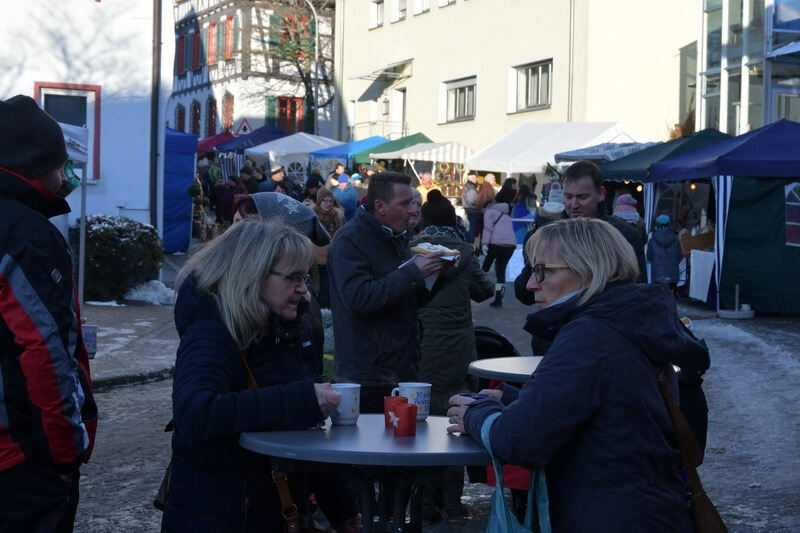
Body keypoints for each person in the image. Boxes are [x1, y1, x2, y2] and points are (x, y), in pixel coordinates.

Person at [447, 217, 694, 533]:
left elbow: (520, 441)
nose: (531, 284)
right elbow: (613, 409)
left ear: (588, 271)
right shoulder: (628, 319)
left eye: (543, 271)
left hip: (610, 516)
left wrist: (478, 413)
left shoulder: (590, 335)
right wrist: (516, 400)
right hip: (648, 510)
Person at [162, 219, 360, 533]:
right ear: (252, 274)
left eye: (305, 277)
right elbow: (195, 413)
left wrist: (340, 506)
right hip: (222, 517)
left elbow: (303, 433)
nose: (303, 288)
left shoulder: (285, 330)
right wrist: (302, 400)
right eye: (293, 277)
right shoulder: (212, 331)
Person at [0, 95, 98, 531]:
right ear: (37, 164)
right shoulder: (28, 235)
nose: (66, 178)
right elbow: (45, 351)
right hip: (20, 462)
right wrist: (65, 454)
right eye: (61, 165)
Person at [328, 172, 448, 413]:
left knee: (405, 435)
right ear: (380, 206)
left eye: (413, 203)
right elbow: (359, 299)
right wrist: (414, 272)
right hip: (366, 377)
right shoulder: (349, 240)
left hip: (402, 368)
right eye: (404, 204)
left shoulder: (400, 236)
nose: (413, 210)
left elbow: (407, 299)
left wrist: (437, 275)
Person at [411, 194, 493, 521]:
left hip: (420, 347)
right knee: (454, 421)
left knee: (420, 424)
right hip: (458, 351)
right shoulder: (465, 253)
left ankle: (423, 504)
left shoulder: (412, 251)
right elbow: (485, 291)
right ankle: (452, 503)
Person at [515, 161, 647, 304]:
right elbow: (524, 293)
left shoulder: (623, 234)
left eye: (582, 197)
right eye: (568, 197)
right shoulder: (551, 235)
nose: (574, 205)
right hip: (559, 317)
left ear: (601, 194)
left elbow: (636, 289)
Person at [481, 186, 517, 307]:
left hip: (495, 245)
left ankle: (479, 290)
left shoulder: (489, 212)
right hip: (510, 245)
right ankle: (498, 299)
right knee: (501, 272)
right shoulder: (506, 214)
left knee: (484, 268)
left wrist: (484, 244)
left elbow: (487, 229)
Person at [648, 214, 682, 289]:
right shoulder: (676, 240)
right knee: (670, 294)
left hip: (657, 276)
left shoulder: (652, 241)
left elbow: (649, 257)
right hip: (672, 276)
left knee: (658, 295)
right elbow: (679, 257)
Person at [461, 172, 481, 248]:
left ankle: (469, 243)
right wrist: (479, 201)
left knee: (469, 227)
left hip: (469, 209)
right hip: (471, 210)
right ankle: (470, 244)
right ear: (472, 178)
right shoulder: (470, 187)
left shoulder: (468, 186)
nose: (477, 179)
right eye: (476, 177)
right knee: (471, 228)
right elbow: (472, 200)